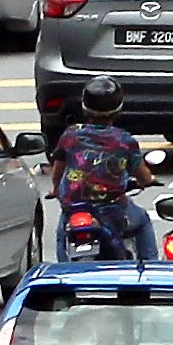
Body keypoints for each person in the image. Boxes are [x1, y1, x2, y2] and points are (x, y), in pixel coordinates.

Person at [50, 77, 160, 259]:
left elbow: (58, 170)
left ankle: (63, 269)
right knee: (143, 222)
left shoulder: (70, 135)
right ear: (117, 109)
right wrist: (149, 181)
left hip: (74, 208)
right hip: (113, 209)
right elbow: (142, 174)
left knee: (63, 233)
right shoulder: (124, 141)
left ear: (85, 106)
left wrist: (55, 189)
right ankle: (150, 270)